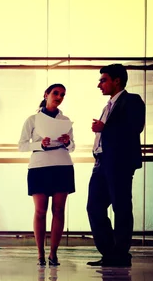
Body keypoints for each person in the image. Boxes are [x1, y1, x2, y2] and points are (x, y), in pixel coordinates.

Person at [87, 64, 145, 267]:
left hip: (119, 163)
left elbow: (135, 127)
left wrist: (105, 128)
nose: (99, 85)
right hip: (101, 163)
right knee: (94, 207)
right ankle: (109, 253)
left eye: (103, 80)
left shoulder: (132, 100)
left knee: (121, 207)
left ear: (117, 80)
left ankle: (120, 254)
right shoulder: (108, 106)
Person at [18, 84, 75, 267]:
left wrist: (68, 142)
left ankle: (53, 254)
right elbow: (22, 145)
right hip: (40, 166)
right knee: (40, 211)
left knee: (58, 211)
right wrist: (39, 144)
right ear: (46, 95)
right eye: (56, 93)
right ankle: (40, 254)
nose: (59, 97)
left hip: (62, 166)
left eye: (62, 95)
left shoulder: (65, 120)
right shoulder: (33, 120)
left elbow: (73, 147)